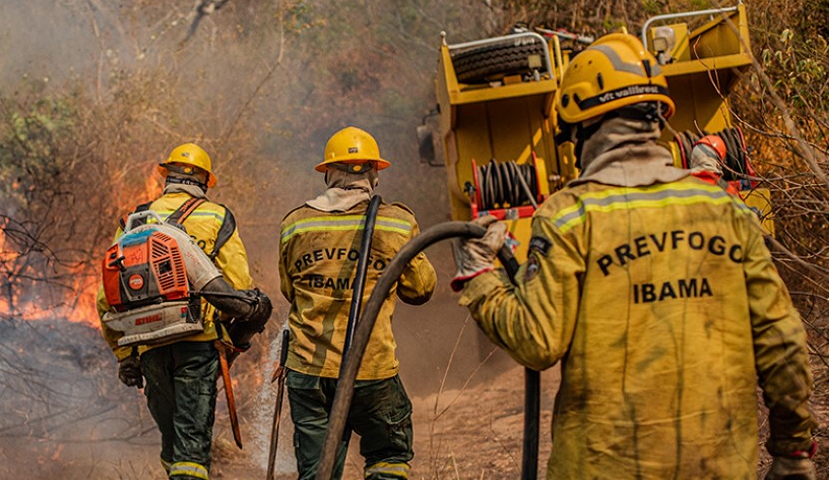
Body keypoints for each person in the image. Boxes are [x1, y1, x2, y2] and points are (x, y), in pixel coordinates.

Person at [451, 33, 818, 479]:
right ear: (659, 116)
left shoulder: (569, 218)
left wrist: (480, 275)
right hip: (720, 466)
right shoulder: (727, 212)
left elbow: (536, 343)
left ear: (580, 127)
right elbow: (782, 342)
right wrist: (793, 453)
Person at [96, 142, 268, 480]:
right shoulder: (217, 216)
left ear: (166, 178)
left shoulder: (133, 222)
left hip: (148, 346)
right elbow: (238, 286)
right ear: (204, 182)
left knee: (171, 441)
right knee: (191, 447)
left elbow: (107, 299)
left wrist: (124, 355)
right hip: (197, 342)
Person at [278, 126, 437, 480]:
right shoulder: (396, 222)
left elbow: (289, 290)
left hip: (309, 371)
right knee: (389, 455)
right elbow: (422, 289)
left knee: (317, 470)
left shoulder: (295, 225)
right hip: (370, 368)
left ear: (328, 173)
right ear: (374, 174)